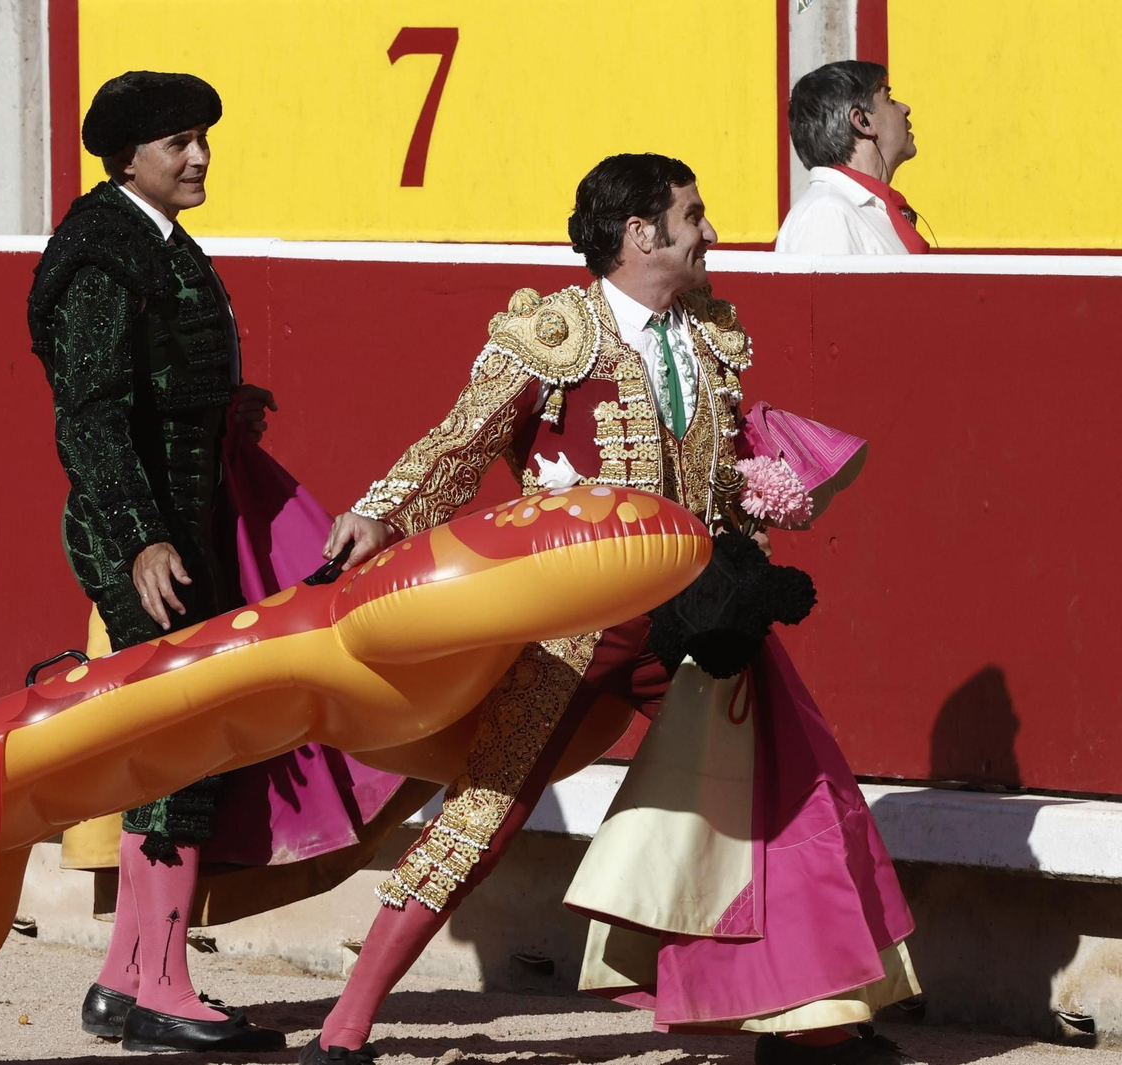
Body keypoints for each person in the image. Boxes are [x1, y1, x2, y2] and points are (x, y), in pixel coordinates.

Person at [314, 154, 917, 1065]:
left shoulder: (709, 334)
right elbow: (460, 441)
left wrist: (764, 500)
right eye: (693, 215)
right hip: (573, 623)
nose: (711, 232)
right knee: (484, 808)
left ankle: (812, 1020)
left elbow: (718, 471)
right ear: (641, 234)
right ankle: (347, 1023)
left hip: (696, 616)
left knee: (786, 789)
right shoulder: (554, 335)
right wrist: (382, 511)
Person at [25, 70, 285, 1055]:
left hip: (177, 518)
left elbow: (151, 379)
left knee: (169, 741)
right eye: (178, 142)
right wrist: (140, 535)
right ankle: (164, 992)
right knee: (182, 740)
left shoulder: (147, 238)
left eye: (203, 137)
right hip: (141, 530)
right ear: (126, 156)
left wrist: (222, 406)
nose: (200, 155)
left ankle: (127, 978)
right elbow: (90, 415)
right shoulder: (105, 253)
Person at [776, 60, 926, 254]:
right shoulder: (828, 212)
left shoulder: (848, 210)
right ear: (862, 121)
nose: (905, 108)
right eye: (888, 99)